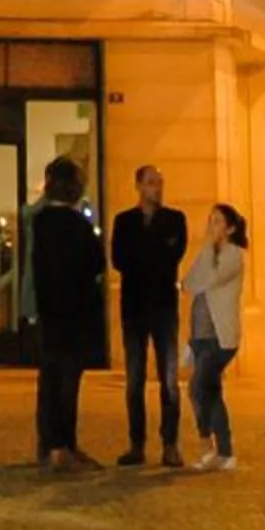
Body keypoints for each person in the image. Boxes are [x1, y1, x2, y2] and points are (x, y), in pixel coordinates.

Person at [27, 157, 108, 472]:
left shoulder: (39, 222)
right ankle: (63, 445)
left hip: (49, 312)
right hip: (74, 315)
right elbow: (95, 265)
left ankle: (49, 444)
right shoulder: (77, 227)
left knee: (49, 379)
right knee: (67, 382)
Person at [110, 165, 189, 468]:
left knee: (169, 379)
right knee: (135, 379)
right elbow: (119, 259)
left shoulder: (175, 220)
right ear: (139, 186)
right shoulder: (124, 221)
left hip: (164, 308)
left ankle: (170, 443)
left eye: (160, 182)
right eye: (152, 183)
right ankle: (136, 443)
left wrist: (144, 258)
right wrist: (153, 255)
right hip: (134, 308)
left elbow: (174, 254)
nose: (157, 187)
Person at [183, 203, 246, 473]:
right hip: (199, 334)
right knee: (208, 391)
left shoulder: (233, 255)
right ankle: (220, 450)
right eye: (211, 221)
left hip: (219, 337)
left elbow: (208, 280)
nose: (212, 226)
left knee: (199, 388)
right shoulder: (207, 253)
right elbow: (188, 283)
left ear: (230, 228)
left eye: (218, 221)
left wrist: (209, 249)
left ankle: (212, 446)